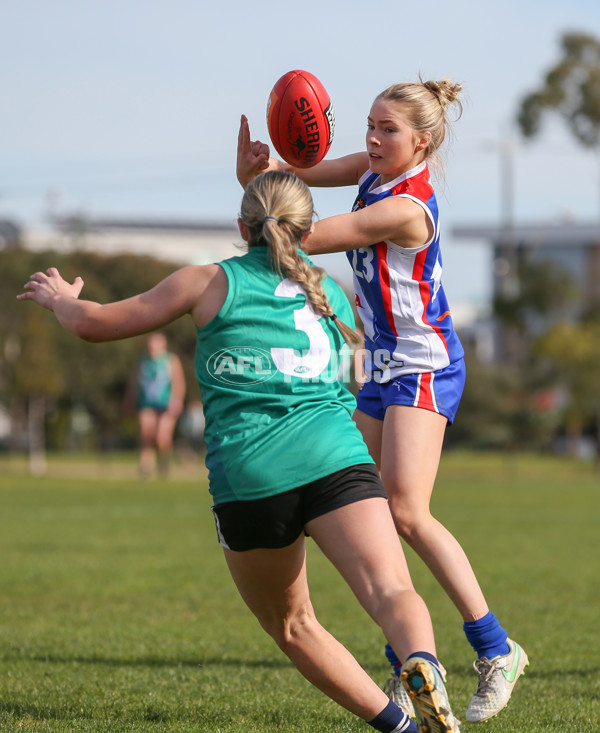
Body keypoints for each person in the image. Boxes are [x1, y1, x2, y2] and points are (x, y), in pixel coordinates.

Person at [18, 171, 461, 733]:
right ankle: (422, 662)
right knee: (393, 590)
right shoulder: (334, 296)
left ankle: (398, 725)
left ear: (240, 227)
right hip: (337, 458)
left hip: (253, 479)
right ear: (309, 230)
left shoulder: (206, 282)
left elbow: (94, 324)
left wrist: (61, 300)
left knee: (294, 625)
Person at [237, 78, 529, 725]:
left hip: (424, 364)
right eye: (367, 124)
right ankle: (410, 663)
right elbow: (307, 168)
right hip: (381, 366)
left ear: (421, 141)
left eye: (387, 130)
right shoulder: (373, 172)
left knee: (404, 510)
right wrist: (267, 168)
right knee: (359, 505)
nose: (371, 138)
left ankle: (495, 647)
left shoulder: (406, 206)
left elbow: (311, 234)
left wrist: (258, 200)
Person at [124, 331, 186, 477]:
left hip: (166, 403)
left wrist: (177, 400)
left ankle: (164, 463)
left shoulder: (170, 359)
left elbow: (178, 381)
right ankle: (146, 466)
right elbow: (134, 384)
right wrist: (129, 401)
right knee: (146, 433)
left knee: (162, 437)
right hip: (146, 402)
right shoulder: (142, 361)